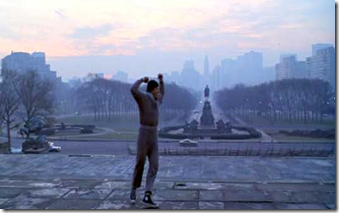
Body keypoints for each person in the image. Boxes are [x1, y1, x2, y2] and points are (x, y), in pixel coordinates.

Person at [130, 73, 165, 208]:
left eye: (158, 89)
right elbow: (133, 90)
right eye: (156, 89)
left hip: (154, 135)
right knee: (140, 163)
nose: (158, 92)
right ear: (151, 90)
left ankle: (147, 195)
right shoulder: (143, 98)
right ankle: (134, 188)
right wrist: (141, 80)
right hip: (143, 134)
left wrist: (161, 81)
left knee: (154, 165)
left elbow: (163, 93)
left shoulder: (157, 100)